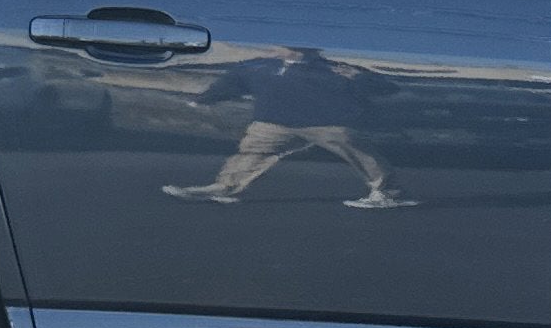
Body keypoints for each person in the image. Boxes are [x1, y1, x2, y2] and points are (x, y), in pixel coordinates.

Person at [164, 47, 410, 209]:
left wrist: (358, 78)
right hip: (273, 123)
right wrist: (204, 99)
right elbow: (231, 83)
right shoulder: (259, 67)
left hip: (327, 124)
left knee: (360, 154)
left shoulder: (333, 68)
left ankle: (386, 193)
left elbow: (385, 88)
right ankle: (224, 188)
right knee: (251, 154)